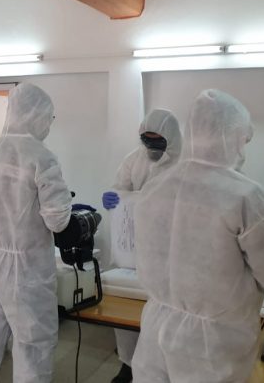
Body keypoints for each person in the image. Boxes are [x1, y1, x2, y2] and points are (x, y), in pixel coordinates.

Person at [132, 89, 264, 382]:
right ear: (232, 136)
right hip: (214, 347)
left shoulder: (156, 186)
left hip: (155, 331)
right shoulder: (246, 196)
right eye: (243, 140)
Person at [0, 83, 72, 383]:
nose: (48, 125)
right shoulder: (41, 157)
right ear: (37, 115)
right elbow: (58, 220)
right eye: (48, 118)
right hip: (24, 272)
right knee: (31, 348)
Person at [100, 108, 181, 383]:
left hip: (170, 251)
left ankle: (163, 368)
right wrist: (112, 198)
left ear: (171, 138)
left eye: (158, 141)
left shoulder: (185, 164)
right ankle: (128, 363)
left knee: (164, 314)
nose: (152, 147)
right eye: (147, 140)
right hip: (134, 247)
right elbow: (118, 189)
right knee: (128, 310)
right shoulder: (133, 160)